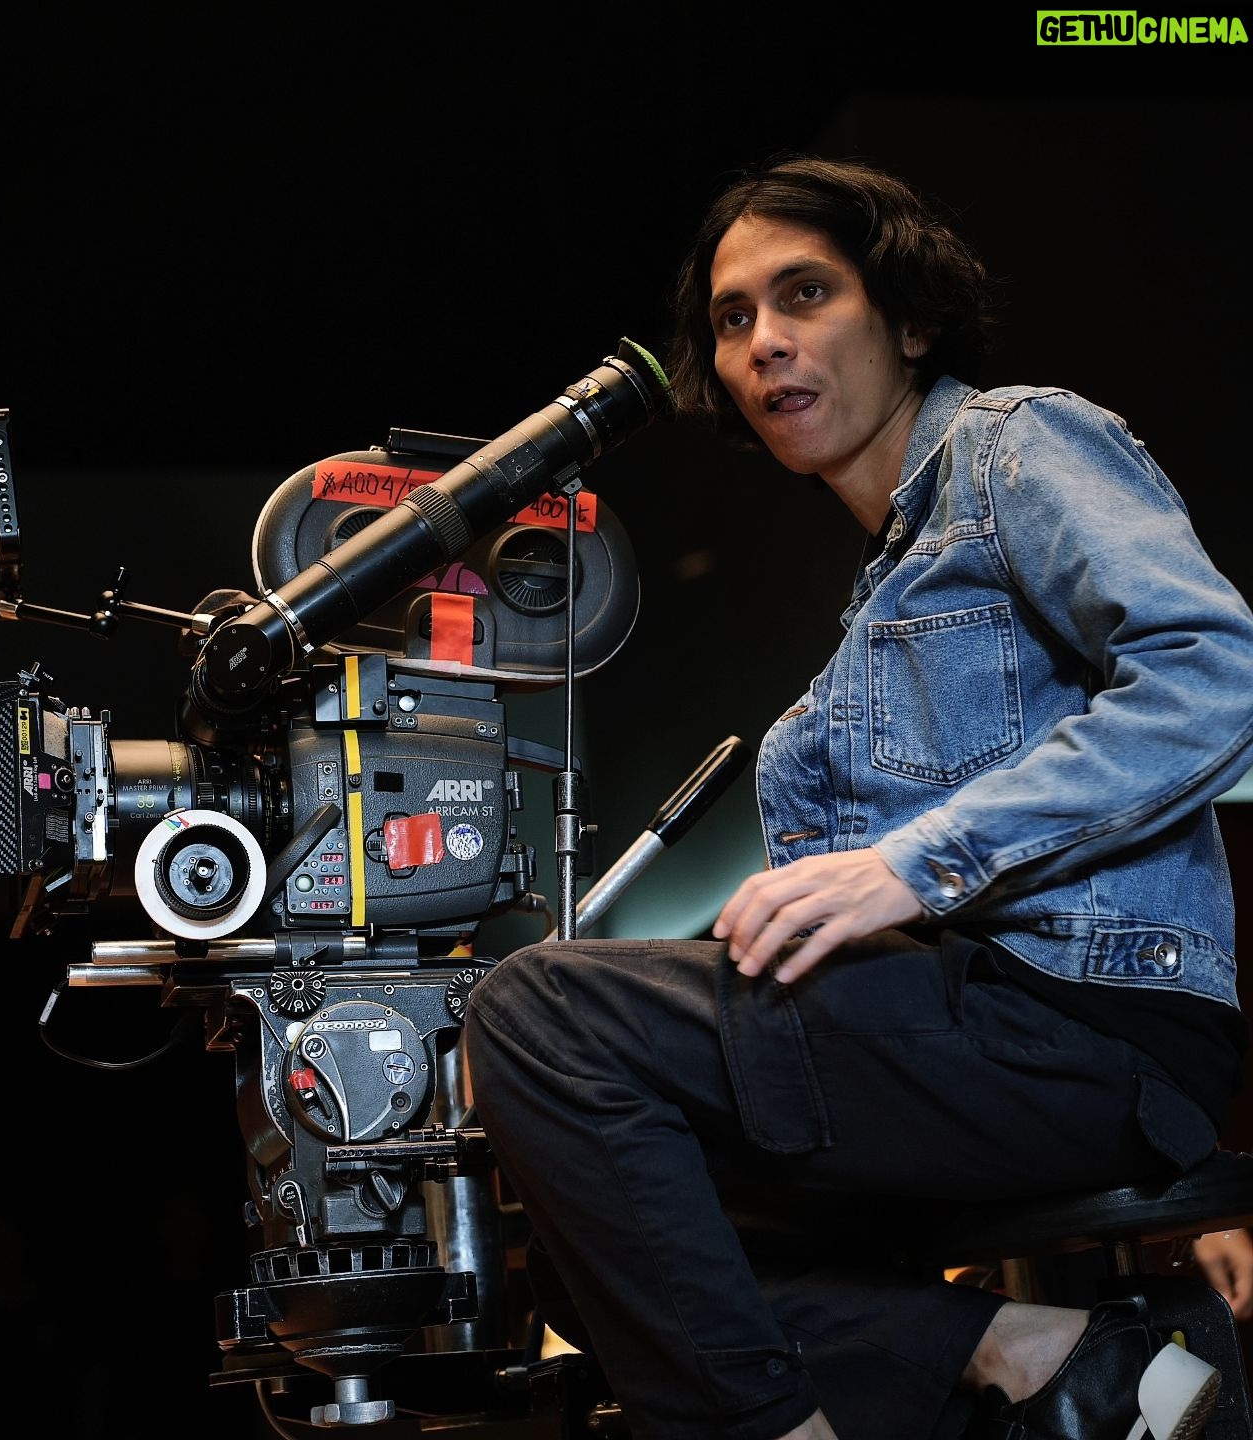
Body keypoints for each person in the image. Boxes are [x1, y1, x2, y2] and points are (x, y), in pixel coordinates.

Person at [461, 153, 1253, 1440]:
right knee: (590, 1241)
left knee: (541, 1011)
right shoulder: (883, 588)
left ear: (909, 321)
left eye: (805, 294)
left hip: (1079, 1025)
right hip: (963, 1031)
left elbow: (1214, 670)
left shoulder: (1014, 444)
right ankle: (1049, 1355)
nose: (764, 343)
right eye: (733, 320)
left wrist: (911, 866)